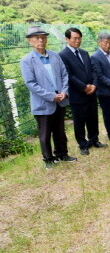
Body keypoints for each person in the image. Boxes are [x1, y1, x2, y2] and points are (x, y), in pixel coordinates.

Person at [20, 26, 77, 168]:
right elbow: (31, 83)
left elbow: (64, 75)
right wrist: (51, 96)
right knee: (45, 134)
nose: (41, 40)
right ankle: (48, 159)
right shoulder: (27, 60)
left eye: (43, 37)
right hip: (43, 103)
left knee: (59, 130)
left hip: (60, 100)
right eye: (36, 38)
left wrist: (64, 92)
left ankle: (62, 154)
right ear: (29, 41)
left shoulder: (55, 56)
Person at [60, 27, 107, 156]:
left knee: (93, 118)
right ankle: (83, 144)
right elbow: (69, 75)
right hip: (77, 94)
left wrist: (93, 85)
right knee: (79, 121)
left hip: (91, 92)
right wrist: (84, 87)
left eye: (79, 38)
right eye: (74, 38)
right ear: (67, 39)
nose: (77, 41)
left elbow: (93, 71)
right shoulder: (63, 55)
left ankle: (94, 140)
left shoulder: (84, 53)